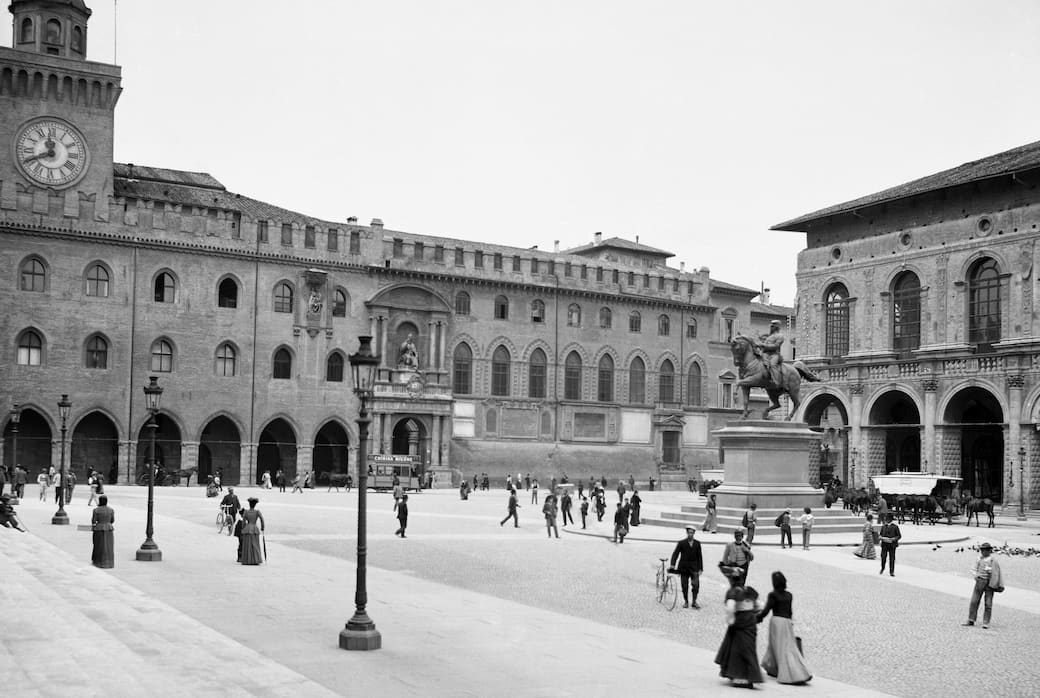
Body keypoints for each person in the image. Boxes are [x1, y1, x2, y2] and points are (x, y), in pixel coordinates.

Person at [758, 571, 812, 684]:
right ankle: (776, 668)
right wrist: (791, 622)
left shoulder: (773, 595)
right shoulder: (789, 595)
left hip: (777, 622)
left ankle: (785, 671)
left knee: (777, 647)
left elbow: (767, 610)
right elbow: (790, 611)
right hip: (787, 622)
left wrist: (758, 617)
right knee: (788, 647)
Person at [714, 573, 764, 689]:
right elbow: (759, 606)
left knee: (736, 650)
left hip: (740, 623)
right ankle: (750, 676)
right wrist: (753, 614)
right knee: (749, 650)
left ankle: (738, 676)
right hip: (750, 624)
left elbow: (730, 607)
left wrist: (730, 620)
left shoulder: (732, 592)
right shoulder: (749, 591)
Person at [963, 542, 1004, 628]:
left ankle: (986, 622)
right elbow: (973, 569)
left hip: (989, 583)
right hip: (980, 581)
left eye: (985, 550)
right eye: (982, 550)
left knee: (988, 603)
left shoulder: (993, 560)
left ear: (989, 551)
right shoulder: (979, 559)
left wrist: (995, 581)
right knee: (974, 601)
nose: (983, 552)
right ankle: (971, 619)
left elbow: (997, 572)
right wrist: (976, 576)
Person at [670, 526, 704, 609]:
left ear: (694, 534)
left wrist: (701, 568)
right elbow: (675, 554)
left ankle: (694, 601)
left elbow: (699, 556)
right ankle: (686, 601)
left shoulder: (697, 543)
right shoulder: (682, 543)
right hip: (684, 568)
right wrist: (673, 564)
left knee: (696, 585)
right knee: (684, 586)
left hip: (694, 568)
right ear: (687, 533)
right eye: (689, 533)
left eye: (692, 533)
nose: (690, 534)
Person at [756, 319, 785, 388]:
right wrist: (759, 346)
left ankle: (776, 382)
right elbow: (764, 345)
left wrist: (764, 346)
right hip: (765, 354)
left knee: (772, 364)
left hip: (774, 354)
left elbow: (776, 346)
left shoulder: (780, 336)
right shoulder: (769, 337)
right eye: (771, 326)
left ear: (777, 327)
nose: (771, 328)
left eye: (773, 326)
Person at [90, 495, 115, 568]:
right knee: (108, 546)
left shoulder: (96, 510)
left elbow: (93, 521)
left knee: (98, 545)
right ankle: (109, 561)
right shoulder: (111, 510)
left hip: (99, 528)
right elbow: (112, 520)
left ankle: (98, 561)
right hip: (109, 529)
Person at [239, 497, 265, 565]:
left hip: (247, 528)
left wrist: (243, 528)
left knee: (247, 545)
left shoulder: (246, 512)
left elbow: (243, 522)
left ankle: (247, 560)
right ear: (255, 505)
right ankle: (255, 559)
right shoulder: (257, 512)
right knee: (255, 545)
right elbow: (262, 519)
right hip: (254, 528)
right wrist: (262, 527)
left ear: (249, 504)